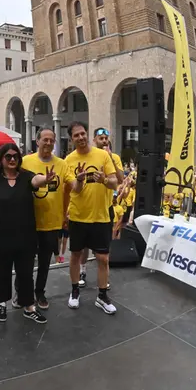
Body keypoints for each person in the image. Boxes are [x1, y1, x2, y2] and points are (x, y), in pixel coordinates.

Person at [0, 143, 52, 323]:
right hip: (0, 235)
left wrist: (45, 179)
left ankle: (28, 306)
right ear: (1, 158)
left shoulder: (26, 176)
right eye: (8, 156)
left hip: (25, 235)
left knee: (26, 272)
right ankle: (2, 304)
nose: (12, 159)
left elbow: (37, 181)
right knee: (2, 271)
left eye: (16, 157)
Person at [65, 122, 119, 315]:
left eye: (83, 133)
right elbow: (75, 189)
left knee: (103, 258)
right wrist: (79, 180)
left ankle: (102, 296)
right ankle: (74, 291)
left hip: (101, 216)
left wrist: (104, 179)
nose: (80, 137)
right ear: (71, 139)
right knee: (76, 255)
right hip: (79, 216)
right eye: (76, 135)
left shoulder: (103, 155)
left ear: (87, 134)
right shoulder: (69, 160)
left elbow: (114, 183)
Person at [21, 128, 73, 310]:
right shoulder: (26, 162)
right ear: (37, 141)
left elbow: (73, 185)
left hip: (52, 223)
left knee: (44, 263)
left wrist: (80, 181)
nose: (49, 143)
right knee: (24, 262)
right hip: (28, 222)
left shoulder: (62, 164)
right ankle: (21, 293)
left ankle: (39, 292)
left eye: (52, 140)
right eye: (45, 139)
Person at [78, 128, 123, 288]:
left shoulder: (114, 157)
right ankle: (82, 271)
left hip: (105, 208)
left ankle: (104, 276)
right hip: (85, 207)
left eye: (106, 138)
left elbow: (120, 179)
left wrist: (110, 158)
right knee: (83, 246)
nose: (104, 141)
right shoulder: (86, 156)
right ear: (94, 139)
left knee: (103, 249)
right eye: (101, 138)